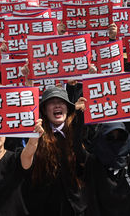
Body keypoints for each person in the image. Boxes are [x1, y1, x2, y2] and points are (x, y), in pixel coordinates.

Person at [27, 86, 88, 216]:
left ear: (68, 107)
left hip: (75, 207)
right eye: (52, 102)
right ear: (44, 109)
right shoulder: (35, 136)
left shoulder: (77, 131)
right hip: (45, 208)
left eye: (61, 102)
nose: (57, 106)